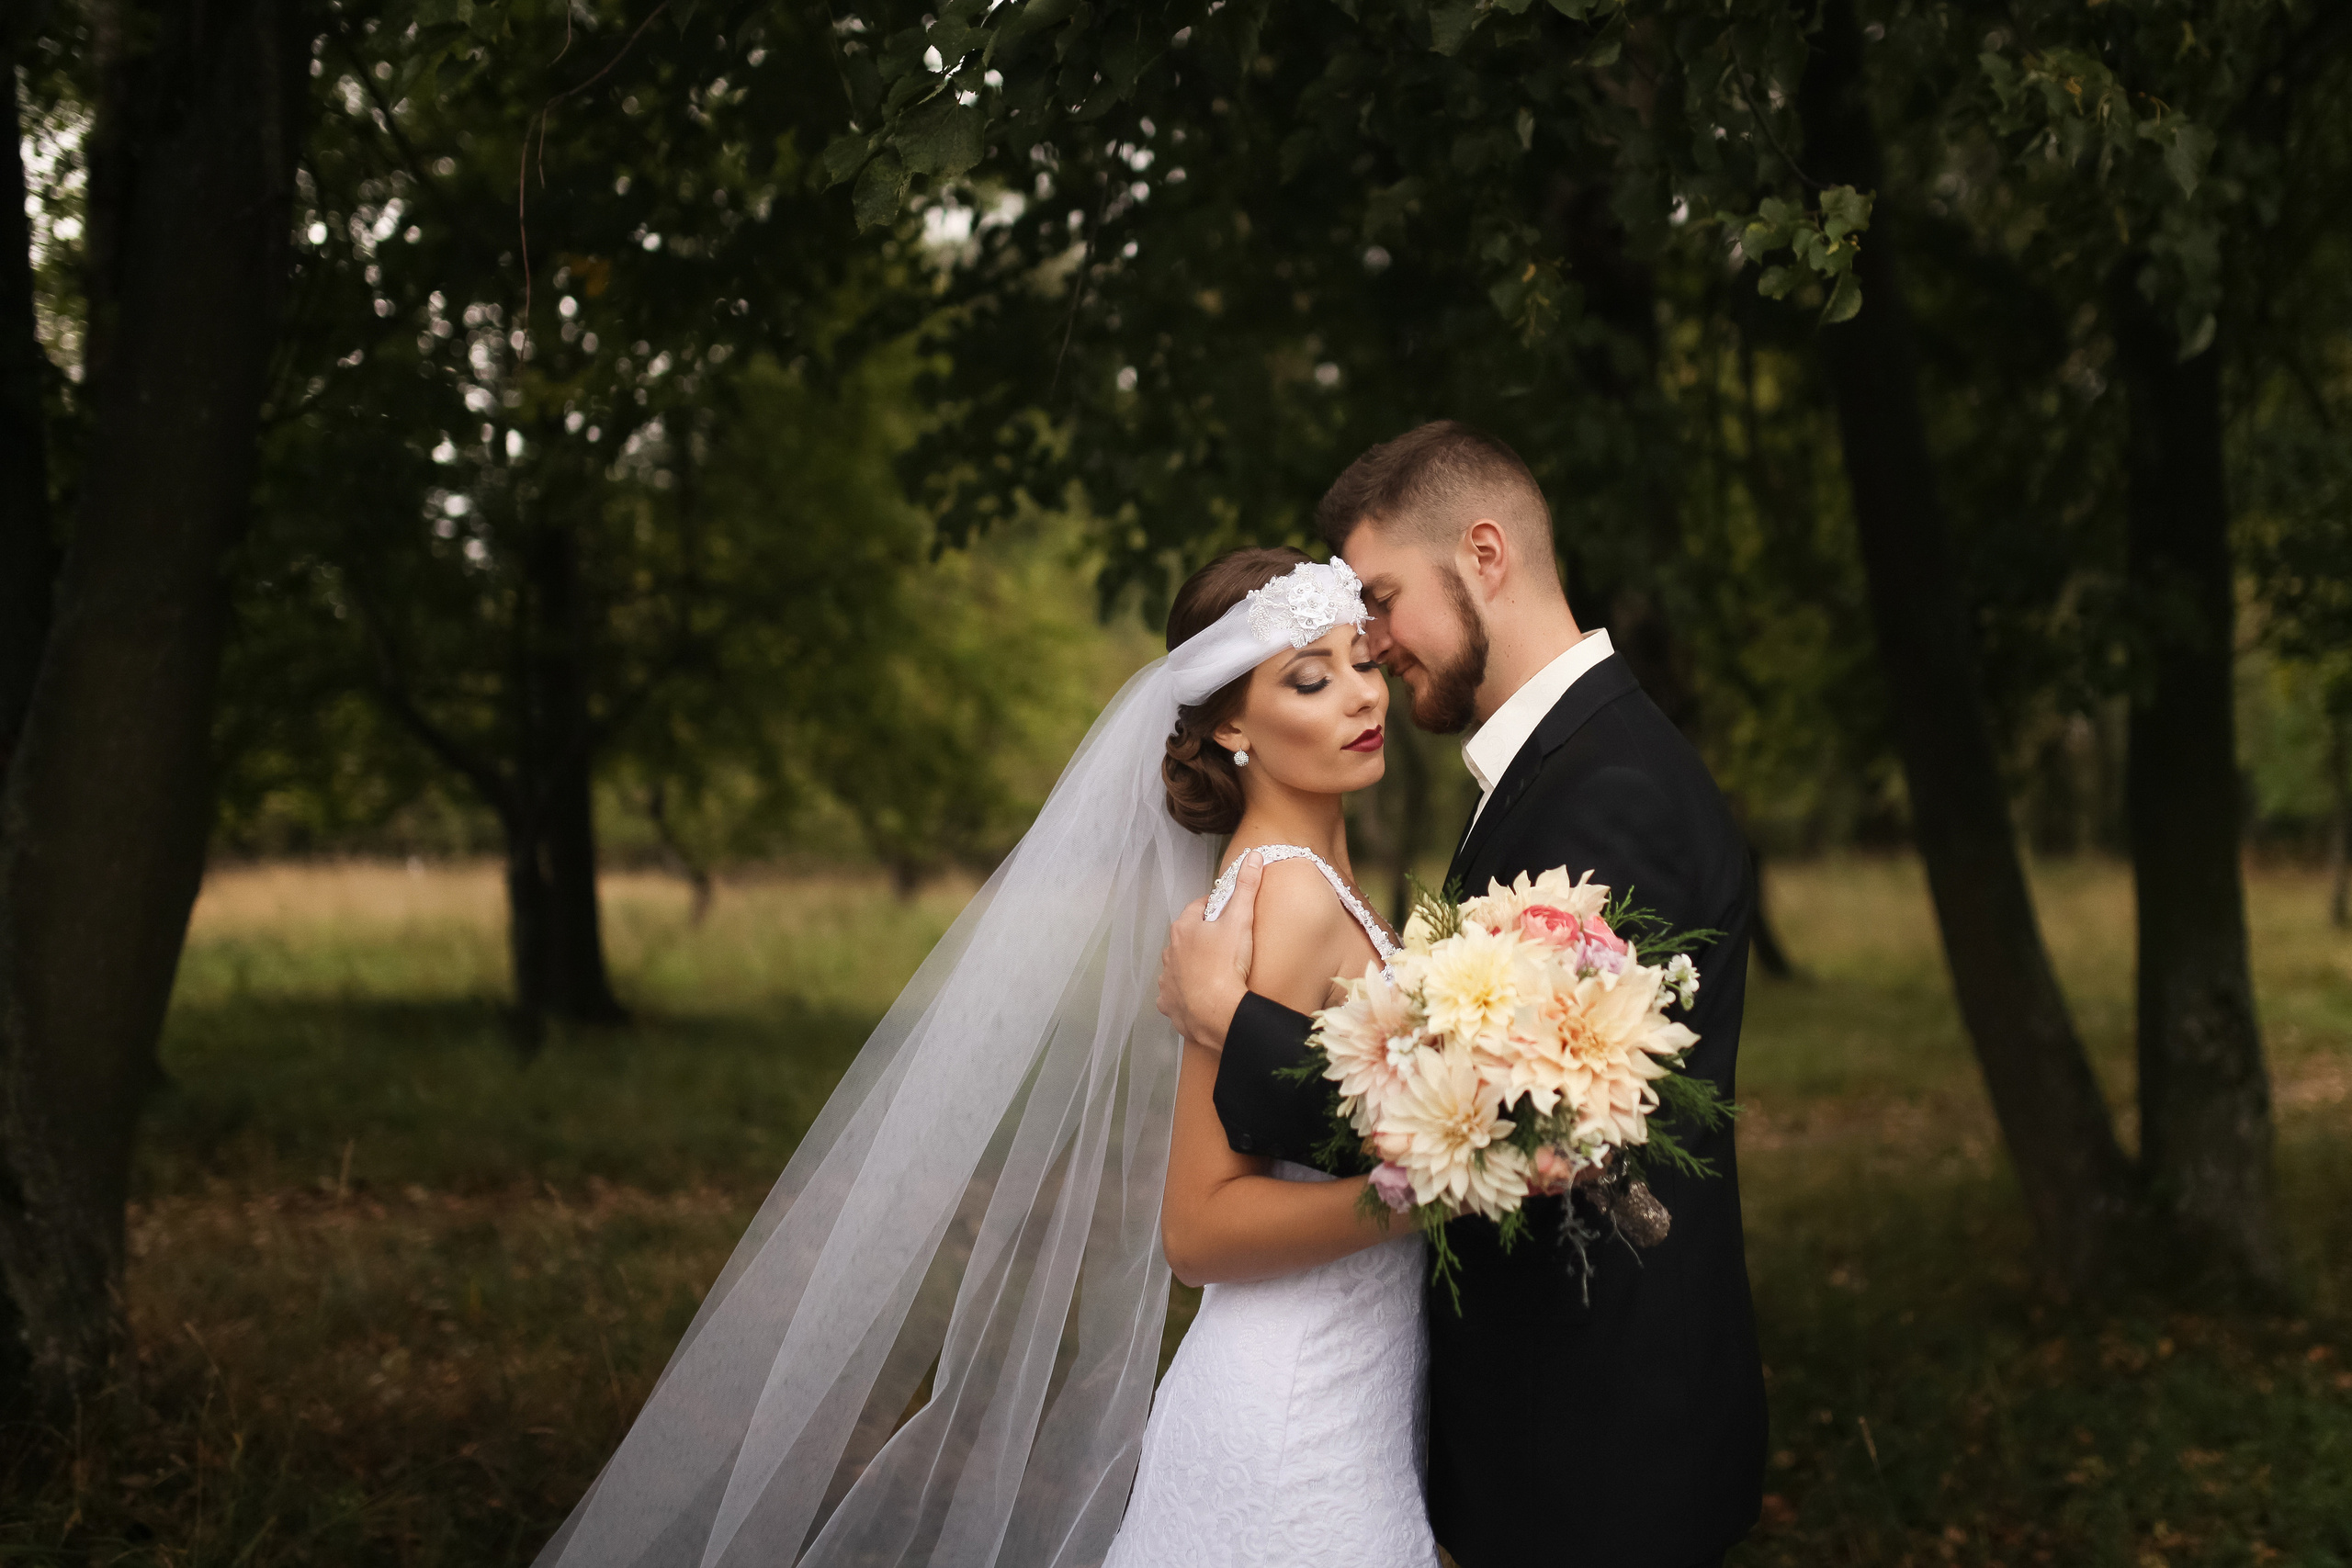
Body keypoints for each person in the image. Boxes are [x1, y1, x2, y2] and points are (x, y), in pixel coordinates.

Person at [531, 547, 1433, 1568]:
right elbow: (1198, 1225)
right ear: (1229, 725)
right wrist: (1425, 1191)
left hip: (1341, 1391)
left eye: (1363, 661)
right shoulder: (1289, 898)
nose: (1361, 696)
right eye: (1310, 679)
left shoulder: (1298, 884)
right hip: (1293, 1409)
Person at [1159, 421, 1770, 1568]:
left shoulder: (1609, 790)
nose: (1377, 651)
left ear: (1483, 554)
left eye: (1381, 604)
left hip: (1595, 1443)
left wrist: (1239, 1031)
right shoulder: (1560, 770)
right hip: (1484, 1424)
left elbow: (1536, 1127)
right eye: (1329, 652)